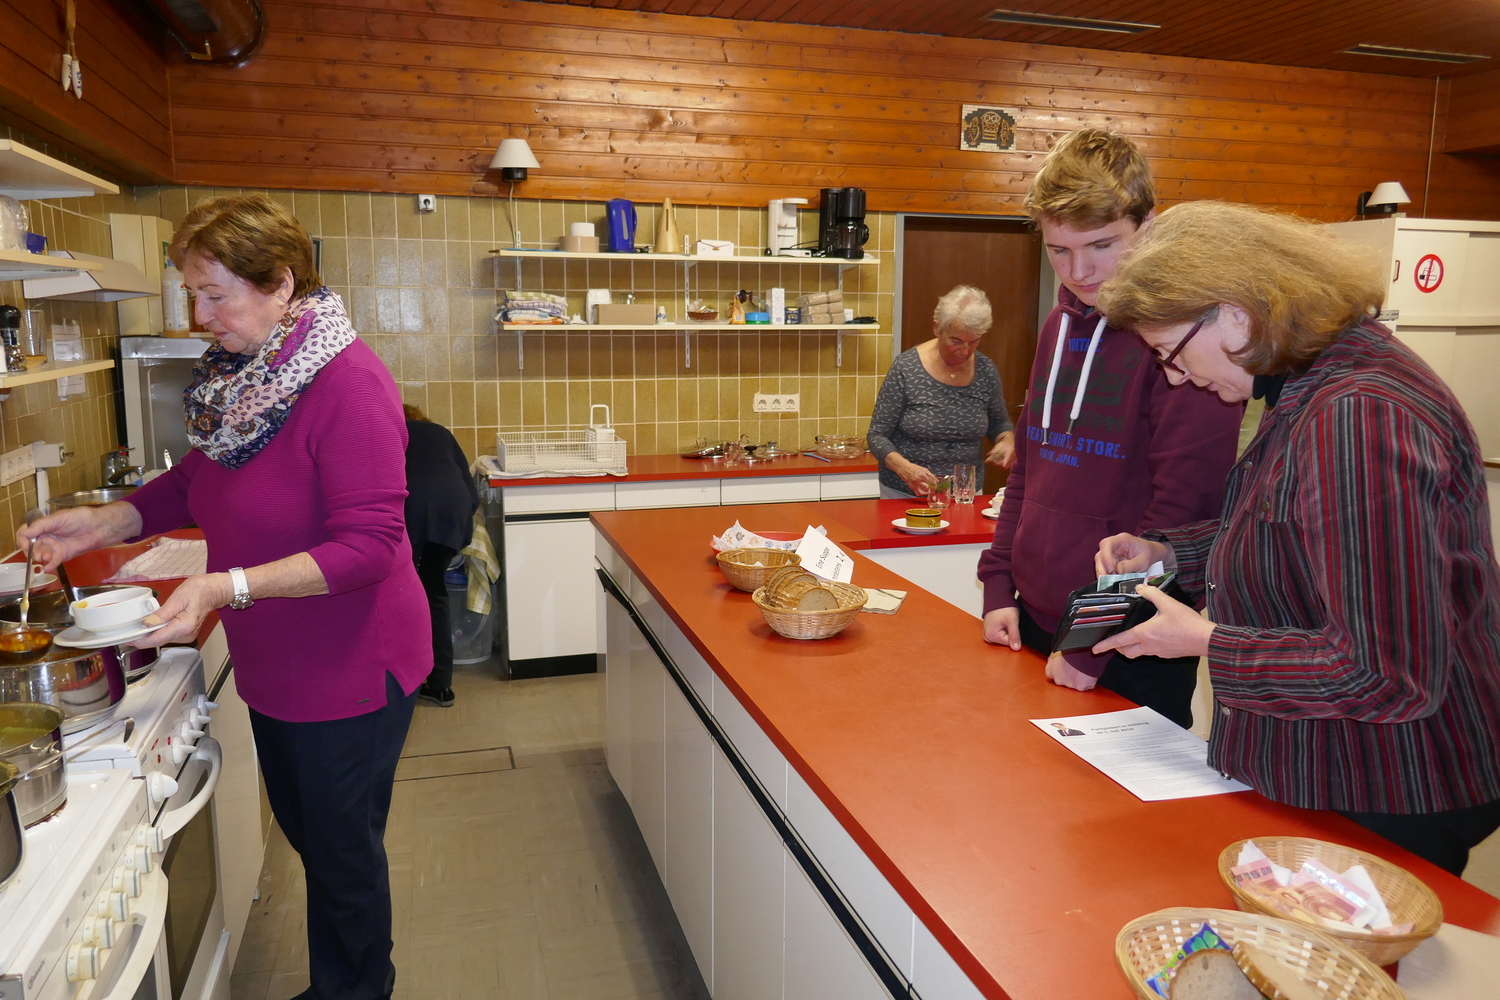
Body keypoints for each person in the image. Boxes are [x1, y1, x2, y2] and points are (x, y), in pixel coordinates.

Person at [21, 194, 429, 1000]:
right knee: (318, 841)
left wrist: (223, 585)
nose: (199, 317)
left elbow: (370, 547)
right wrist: (98, 523)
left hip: (349, 665)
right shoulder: (247, 380)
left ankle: (357, 990)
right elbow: (193, 482)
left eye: (215, 295)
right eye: (192, 295)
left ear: (281, 284)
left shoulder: (348, 384)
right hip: (280, 661)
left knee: (342, 858)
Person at [1091, 201, 1500, 875]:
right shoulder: (1313, 382)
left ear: (1234, 314)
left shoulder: (1358, 413)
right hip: (1341, 768)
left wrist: (1206, 641)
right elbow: (1291, 530)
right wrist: (1169, 553)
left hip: (1385, 782)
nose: (1174, 377)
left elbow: (1384, 673)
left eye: (1169, 353)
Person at [976, 128, 1244, 729]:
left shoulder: (1185, 338)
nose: (1080, 270)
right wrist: (998, 586)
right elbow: (1030, 470)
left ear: (1148, 225)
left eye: (1102, 245)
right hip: (1035, 618)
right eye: (1059, 250)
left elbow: (1185, 512)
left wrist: (1089, 643)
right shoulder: (1058, 326)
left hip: (1130, 641)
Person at [867, 285, 1015, 499]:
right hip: (907, 493)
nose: (965, 351)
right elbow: (877, 435)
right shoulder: (906, 368)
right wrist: (904, 468)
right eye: (956, 341)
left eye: (974, 342)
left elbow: (999, 424)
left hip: (965, 494)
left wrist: (1007, 440)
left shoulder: (985, 370)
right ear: (937, 328)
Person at [403, 404, 480, 708]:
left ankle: (404, 682)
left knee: (400, 595)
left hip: (410, 511)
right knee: (434, 591)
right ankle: (441, 685)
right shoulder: (440, 433)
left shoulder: (390, 431)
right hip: (453, 511)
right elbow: (471, 492)